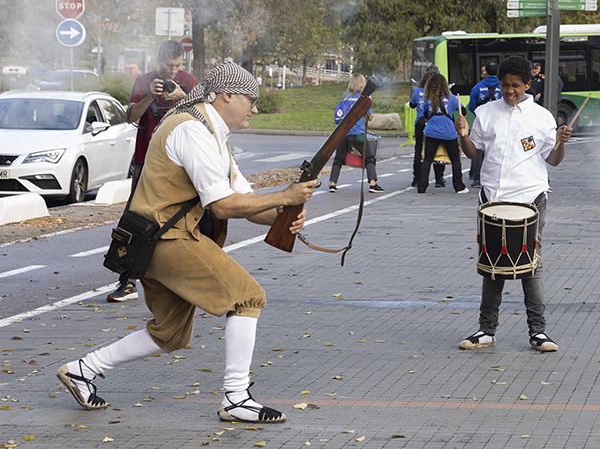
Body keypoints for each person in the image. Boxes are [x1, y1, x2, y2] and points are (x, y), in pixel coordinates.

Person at [57, 62, 318, 423]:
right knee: (248, 297)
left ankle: (82, 370)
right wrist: (284, 198)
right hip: (166, 238)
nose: (255, 109)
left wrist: (283, 215)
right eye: (251, 99)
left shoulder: (211, 133)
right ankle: (236, 398)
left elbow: (241, 199)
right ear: (227, 95)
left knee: (170, 333)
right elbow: (223, 206)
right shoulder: (193, 130)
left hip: (154, 241)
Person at [455, 56, 573, 352]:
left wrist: (562, 143)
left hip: (531, 198)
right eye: (505, 85)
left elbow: (554, 160)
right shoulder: (485, 113)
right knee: (491, 263)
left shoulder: (542, 117)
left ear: (528, 85)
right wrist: (463, 136)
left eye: (516, 86)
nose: (509, 91)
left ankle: (538, 332)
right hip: (493, 197)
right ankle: (486, 330)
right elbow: (473, 153)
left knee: (531, 263)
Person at [111, 40, 198, 303]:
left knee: (187, 220)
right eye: (168, 66)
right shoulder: (145, 81)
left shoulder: (189, 81)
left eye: (177, 66)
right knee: (135, 219)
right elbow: (130, 117)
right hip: (146, 161)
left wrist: (183, 97)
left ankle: (185, 280)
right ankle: (126, 281)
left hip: (180, 164)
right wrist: (150, 95)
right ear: (158, 61)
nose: (172, 72)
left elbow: (203, 115)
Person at [328, 74, 383, 194]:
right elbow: (370, 117)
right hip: (358, 134)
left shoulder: (345, 96)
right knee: (369, 157)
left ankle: (332, 184)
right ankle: (372, 184)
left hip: (343, 133)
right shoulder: (364, 98)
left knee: (338, 159)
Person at [417, 72, 467, 193]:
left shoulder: (427, 99)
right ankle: (459, 186)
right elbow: (463, 111)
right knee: (455, 159)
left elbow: (424, 114)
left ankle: (421, 187)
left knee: (428, 159)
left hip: (431, 131)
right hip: (448, 132)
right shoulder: (452, 98)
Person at [409, 69, 445, 188]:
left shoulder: (417, 91)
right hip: (434, 122)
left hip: (420, 123)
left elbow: (412, 104)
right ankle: (439, 178)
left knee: (419, 150)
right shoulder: (438, 92)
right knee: (438, 149)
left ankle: (417, 178)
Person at [468, 64, 502, 187]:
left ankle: (477, 177)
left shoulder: (477, 88)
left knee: (478, 149)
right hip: (499, 121)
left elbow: (471, 106)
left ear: (485, 72)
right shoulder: (502, 86)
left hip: (483, 122)